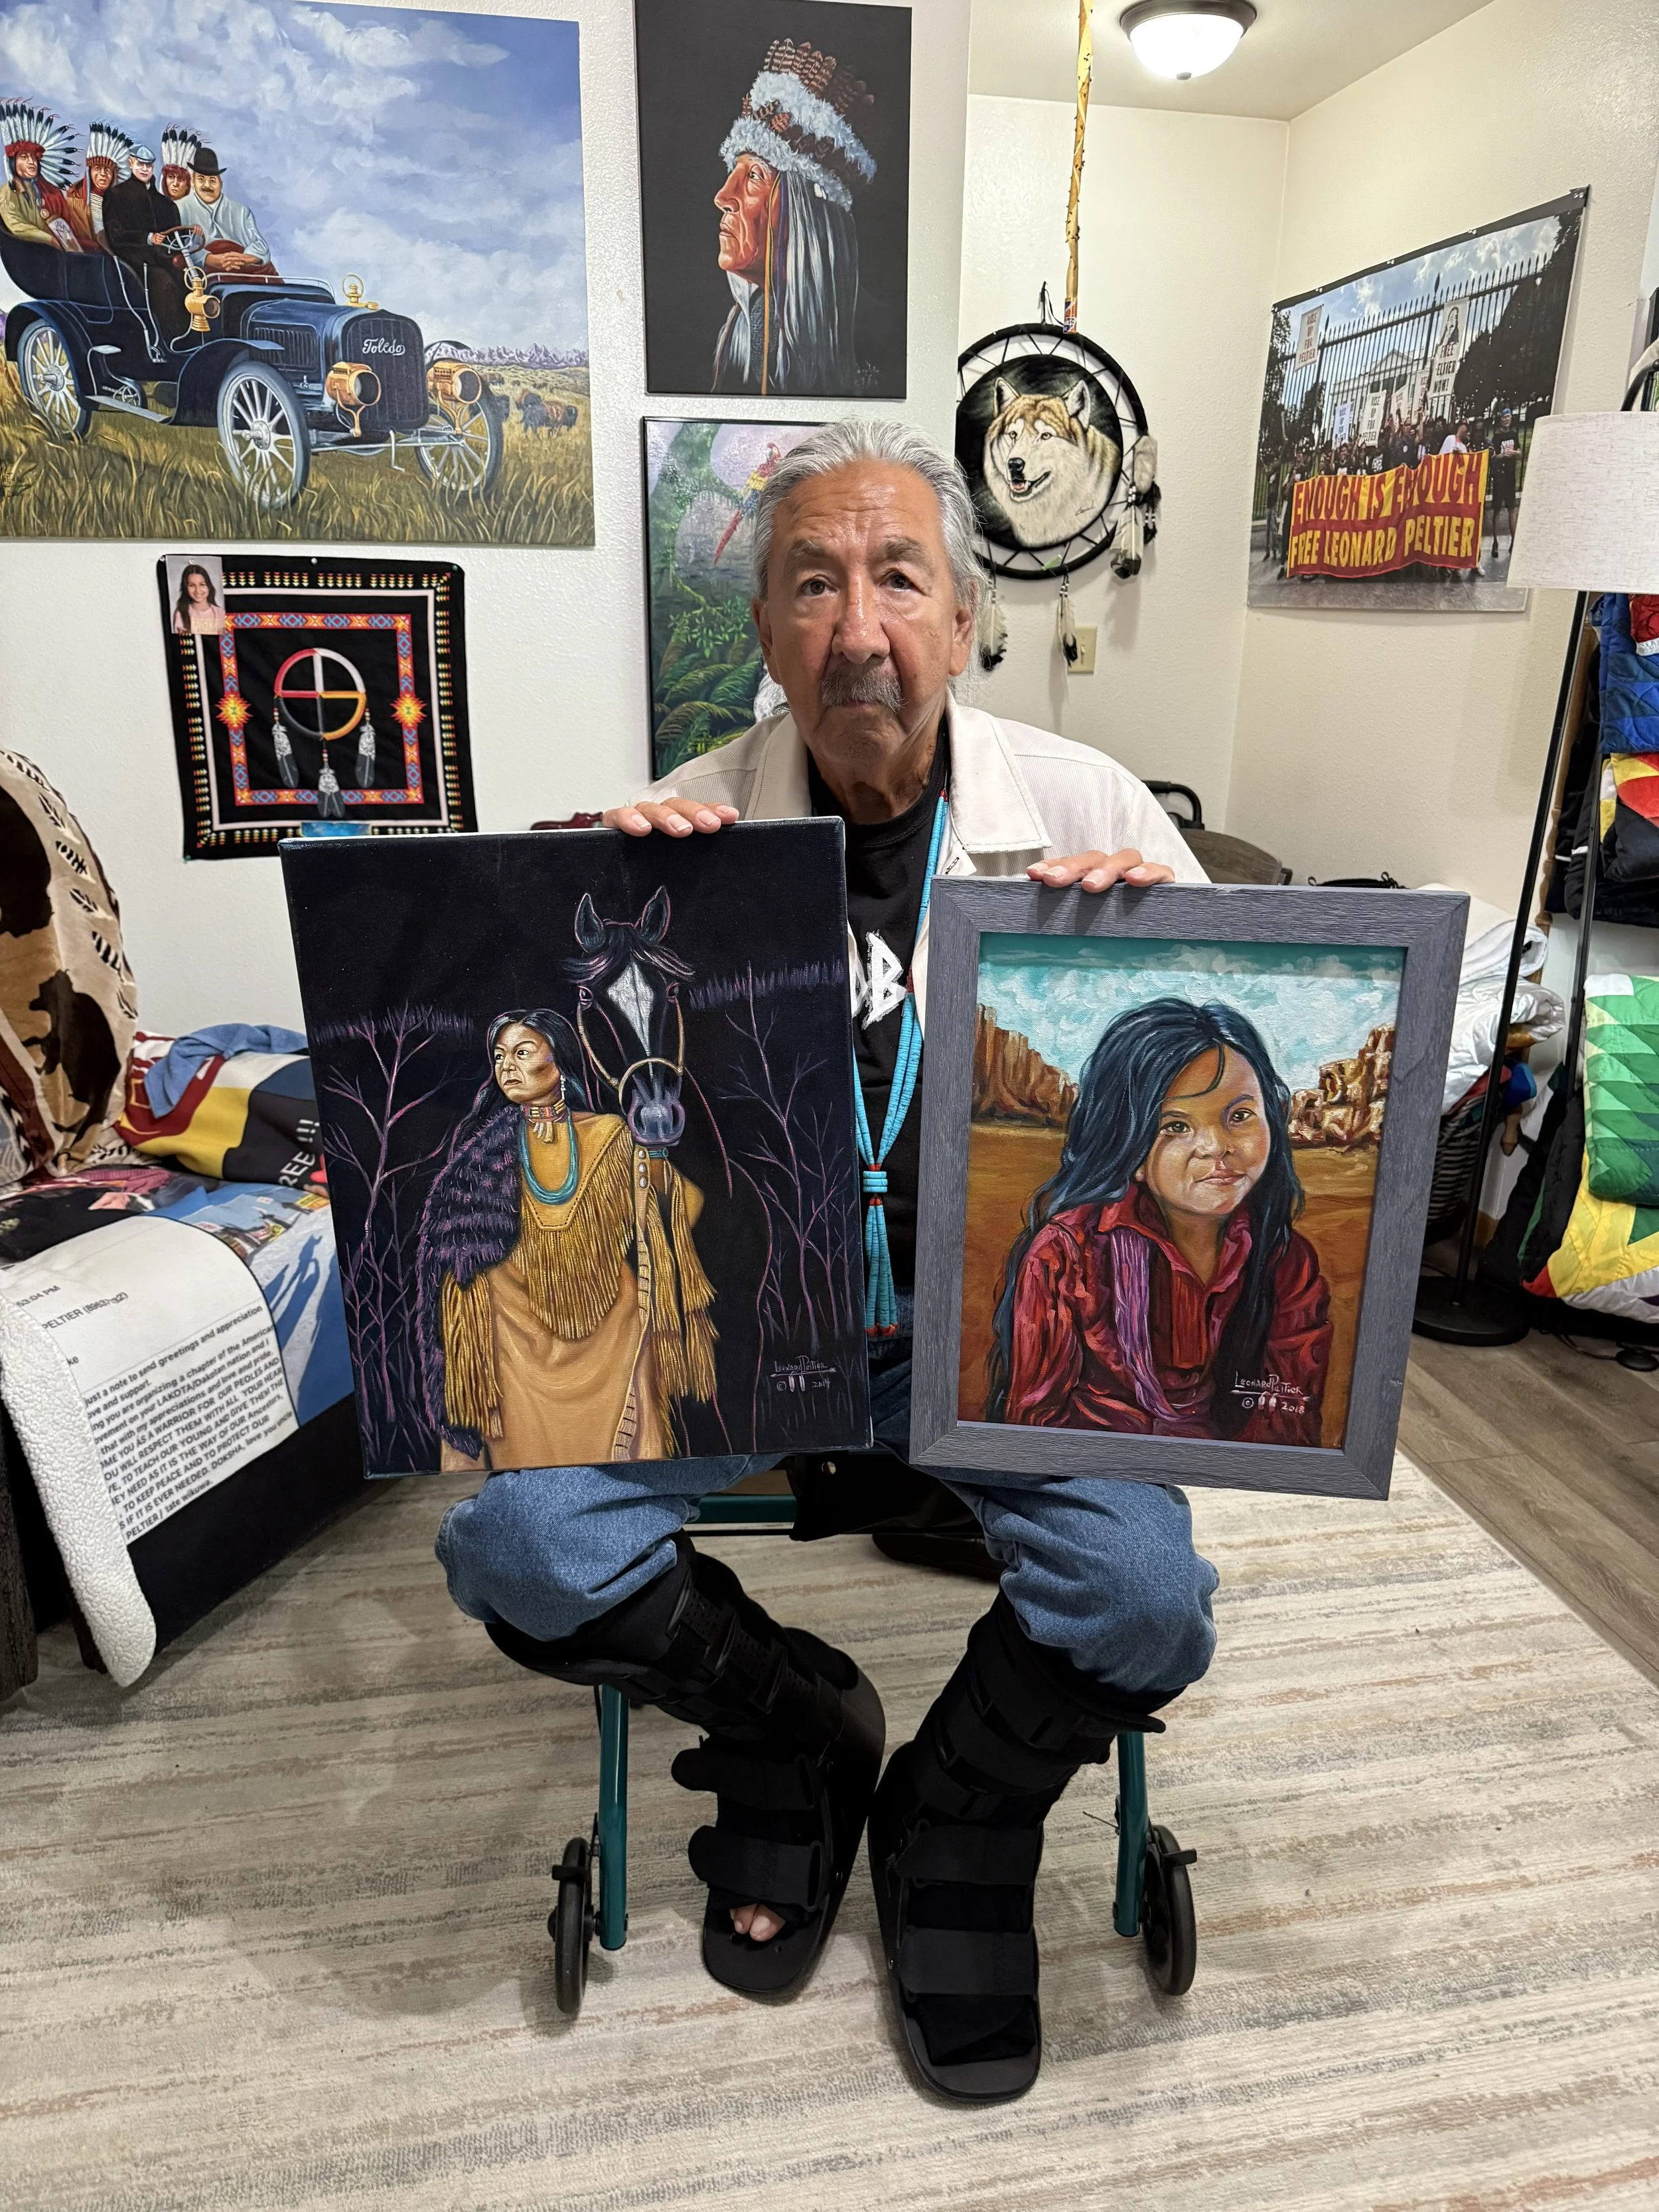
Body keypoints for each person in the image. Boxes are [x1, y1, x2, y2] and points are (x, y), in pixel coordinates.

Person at [435, 417, 1218, 2105]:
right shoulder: (681, 829)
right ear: (767, 631)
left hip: (1008, 1339)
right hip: (743, 1330)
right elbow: (534, 1116)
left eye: (897, 577)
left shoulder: (1090, 812)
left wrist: (1155, 953)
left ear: (961, 618)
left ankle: (962, 1808)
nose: (857, 623)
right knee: (515, 1541)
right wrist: (567, 930)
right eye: (812, 582)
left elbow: (1234, 1083)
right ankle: (798, 1722)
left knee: (1150, 1599)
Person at [988, 999, 1331, 1447]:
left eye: (1240, 1116)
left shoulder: (1285, 1259)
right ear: (1129, 1149)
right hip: (1086, 1471)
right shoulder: (1067, 1254)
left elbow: (1289, 1420)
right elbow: (1032, 1427)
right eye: (1175, 1126)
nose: (1215, 1147)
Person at [416, 1007, 715, 1472]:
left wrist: (653, 1154)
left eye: (522, 1052)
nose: (507, 1066)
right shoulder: (479, 1159)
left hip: (610, 1337)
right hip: (513, 1344)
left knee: (626, 1472)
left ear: (559, 1057)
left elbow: (682, 1207)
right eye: (498, 1057)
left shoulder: (609, 1134)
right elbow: (456, 1259)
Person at [711, 38, 873, 395]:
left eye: (753, 176)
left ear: (804, 216)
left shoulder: (870, 347)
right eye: (733, 174)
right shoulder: (751, 324)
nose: (723, 197)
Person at [101, 143, 188, 344]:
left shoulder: (166, 204)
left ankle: (191, 340)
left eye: (149, 166)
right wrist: (148, 238)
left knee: (189, 282)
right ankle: (168, 342)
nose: (145, 169)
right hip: (134, 262)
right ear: (131, 163)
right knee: (164, 282)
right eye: (140, 164)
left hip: (164, 260)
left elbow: (178, 237)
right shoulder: (116, 196)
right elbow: (116, 236)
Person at [0, 106, 96, 251]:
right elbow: (17, 226)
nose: (32, 162)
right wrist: (49, 239)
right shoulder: (9, 191)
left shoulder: (42, 191)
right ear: (13, 163)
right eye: (24, 157)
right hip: (26, 251)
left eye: (33, 158)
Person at [182, 145, 278, 277]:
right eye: (201, 179)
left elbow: (260, 244)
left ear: (220, 183)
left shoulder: (241, 211)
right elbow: (180, 246)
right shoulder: (181, 208)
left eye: (212, 181)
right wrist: (211, 260)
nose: (207, 186)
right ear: (193, 182)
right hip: (204, 274)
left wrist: (245, 259)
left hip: (244, 270)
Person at [70, 120, 132, 244]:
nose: (103, 174)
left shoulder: (120, 204)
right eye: (98, 168)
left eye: (108, 170)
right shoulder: (73, 199)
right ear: (90, 172)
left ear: (114, 176)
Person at [1487, 406, 1523, 559]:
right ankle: (1495, 542)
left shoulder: (1514, 435)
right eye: (1504, 417)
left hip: (1510, 477)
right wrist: (1502, 455)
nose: (1507, 419)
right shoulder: (1496, 437)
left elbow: (1521, 454)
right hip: (1500, 477)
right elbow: (1492, 457)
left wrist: (1514, 453)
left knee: (1512, 509)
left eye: (1508, 417)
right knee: (1496, 509)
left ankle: (1514, 541)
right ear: (1501, 420)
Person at [171, 563, 225, 636]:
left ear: (209, 586)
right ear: (186, 588)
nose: (198, 591)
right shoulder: (181, 614)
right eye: (192, 585)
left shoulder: (220, 613)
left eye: (202, 585)